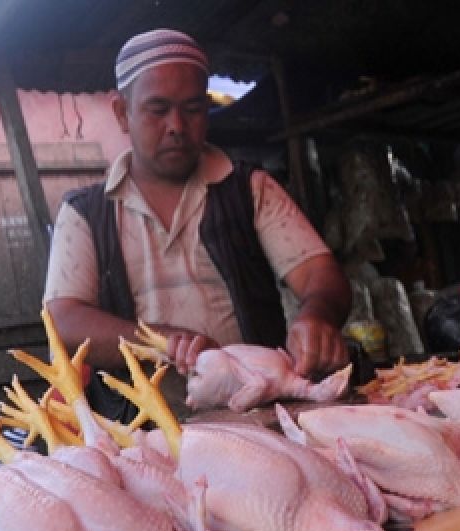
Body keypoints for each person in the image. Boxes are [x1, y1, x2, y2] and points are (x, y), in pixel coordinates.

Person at [43, 29, 350, 418]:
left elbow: (320, 272)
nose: (177, 125)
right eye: (158, 109)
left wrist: (318, 314)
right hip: (144, 433)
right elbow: (64, 321)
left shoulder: (249, 189)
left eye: (192, 109)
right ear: (122, 113)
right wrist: (160, 341)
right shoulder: (86, 212)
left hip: (258, 418)